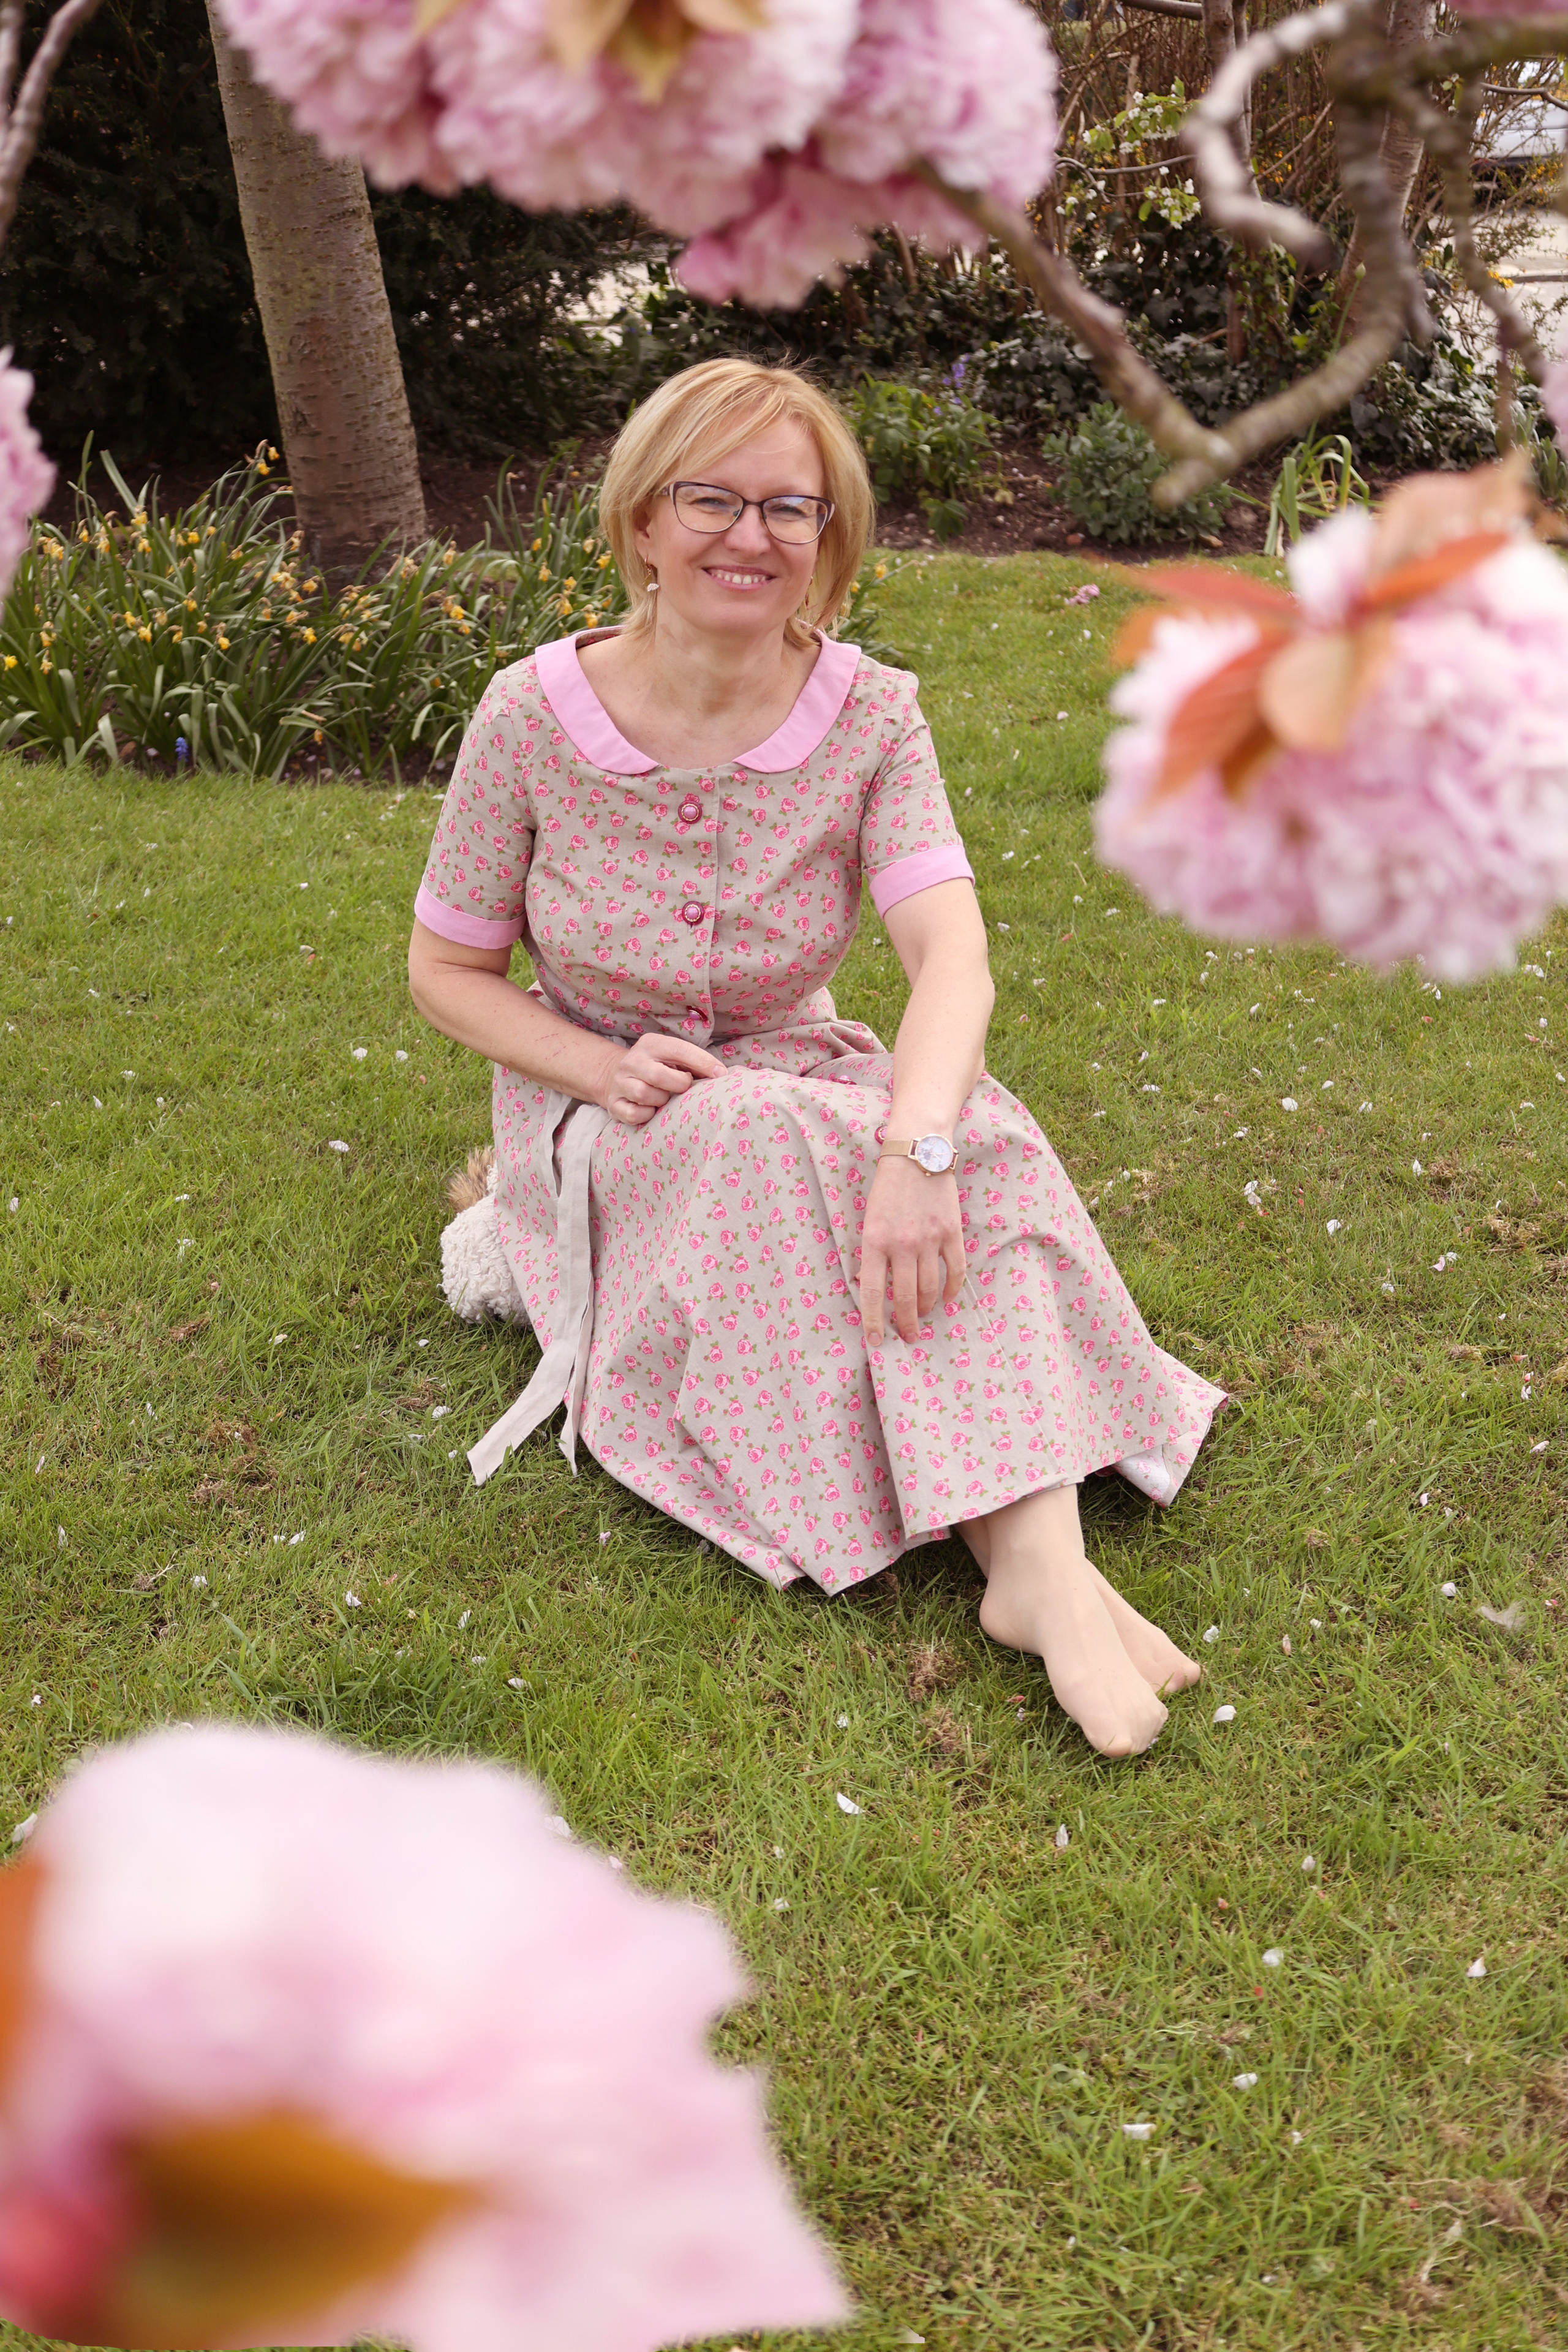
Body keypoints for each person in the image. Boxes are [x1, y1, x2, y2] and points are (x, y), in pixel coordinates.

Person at [407, 358, 1223, 1758]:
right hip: (612, 1103)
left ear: (828, 538)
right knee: (758, 1132)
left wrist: (918, 1151)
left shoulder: (871, 714)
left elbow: (949, 958)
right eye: (709, 499)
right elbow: (444, 974)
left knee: (973, 1129)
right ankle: (1036, 1562)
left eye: (789, 507)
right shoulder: (527, 717)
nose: (750, 534)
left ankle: (1029, 1561)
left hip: (795, 1066)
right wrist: (590, 1071)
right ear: (642, 520)